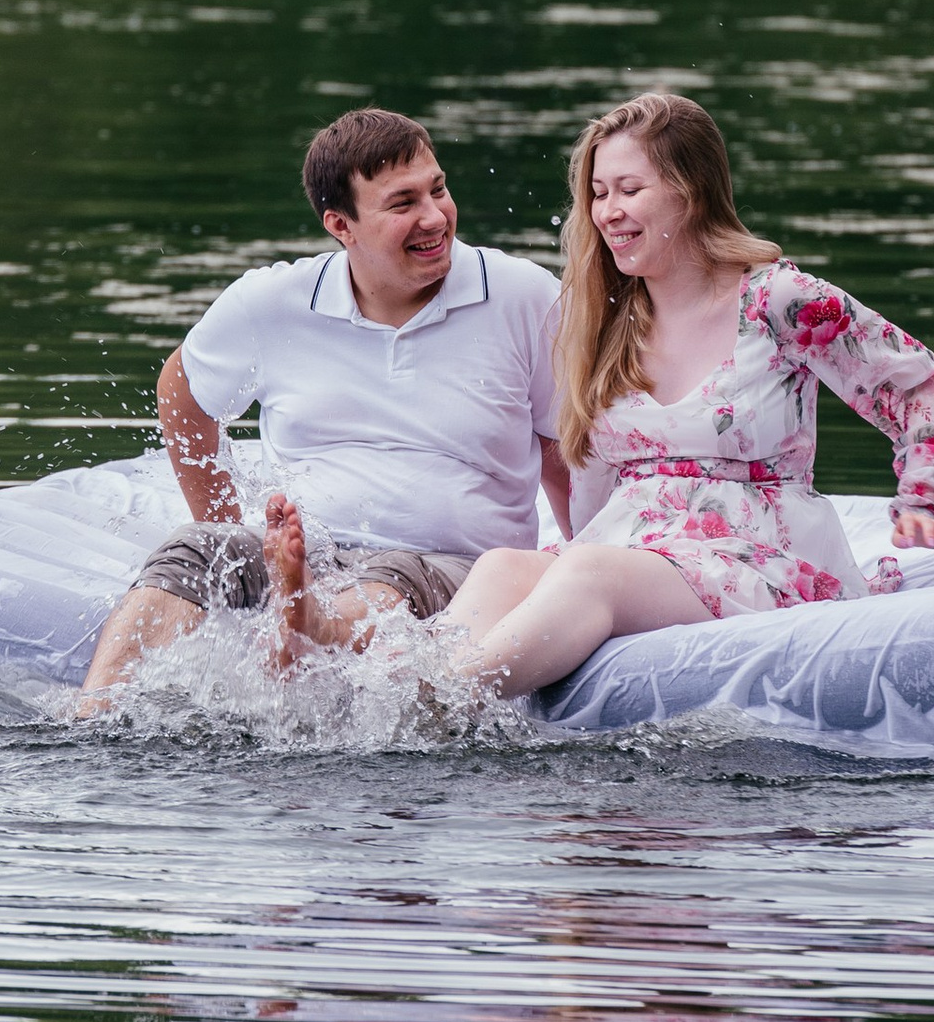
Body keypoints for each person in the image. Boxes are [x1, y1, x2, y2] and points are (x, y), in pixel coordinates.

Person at [438, 89, 934, 700]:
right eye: (599, 193)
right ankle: (400, 694)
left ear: (690, 191)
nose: (607, 212)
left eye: (629, 189)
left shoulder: (777, 299)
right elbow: (593, 474)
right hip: (632, 545)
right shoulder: (606, 319)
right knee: (504, 565)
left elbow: (917, 383)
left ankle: (437, 707)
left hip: (757, 554)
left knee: (589, 572)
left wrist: (925, 498)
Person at [76, 108, 567, 710]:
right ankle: (94, 714)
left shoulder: (524, 296)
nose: (436, 217)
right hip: (312, 545)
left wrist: (580, 561)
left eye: (438, 189)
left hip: (452, 564)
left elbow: (564, 446)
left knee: (395, 579)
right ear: (341, 225)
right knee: (196, 549)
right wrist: (226, 521)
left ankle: (308, 620)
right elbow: (182, 389)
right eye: (403, 203)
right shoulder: (274, 302)